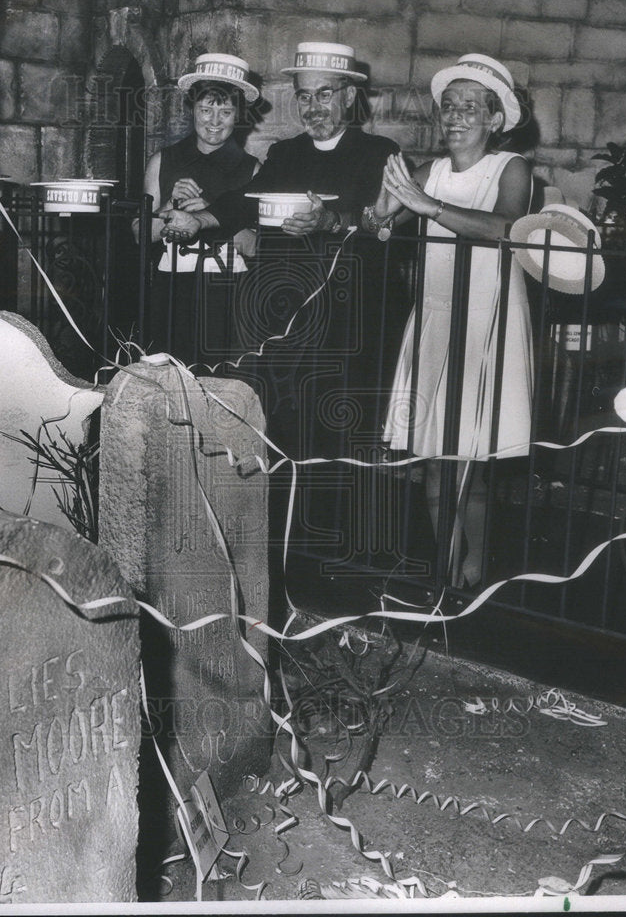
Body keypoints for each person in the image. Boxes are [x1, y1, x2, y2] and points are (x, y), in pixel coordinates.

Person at [159, 41, 402, 459]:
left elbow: (381, 224)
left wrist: (330, 221)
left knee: (341, 439)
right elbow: (243, 200)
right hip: (286, 321)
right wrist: (200, 221)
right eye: (304, 96)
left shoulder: (380, 154)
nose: (313, 106)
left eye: (324, 94)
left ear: (348, 96)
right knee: (282, 431)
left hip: (351, 323)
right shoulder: (285, 154)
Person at [363, 53, 534, 589]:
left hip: (488, 322)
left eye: (469, 108)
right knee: (434, 456)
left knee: (472, 457)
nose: (455, 117)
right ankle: (445, 563)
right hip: (436, 320)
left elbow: (506, 226)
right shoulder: (428, 171)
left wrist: (426, 205)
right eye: (449, 107)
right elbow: (378, 218)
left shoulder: (510, 169)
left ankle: (476, 565)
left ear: (495, 120)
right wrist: (379, 215)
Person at [135, 52, 260, 368]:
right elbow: (139, 235)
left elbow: (255, 246)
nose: (214, 122)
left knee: (225, 382)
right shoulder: (162, 161)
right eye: (206, 110)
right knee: (170, 377)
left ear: (239, 114)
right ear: (192, 108)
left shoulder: (253, 170)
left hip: (230, 294)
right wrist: (165, 210)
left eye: (226, 112)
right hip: (172, 290)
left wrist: (209, 217)